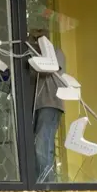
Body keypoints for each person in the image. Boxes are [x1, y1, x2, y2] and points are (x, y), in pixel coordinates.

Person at [29, 28, 66, 182]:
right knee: (35, 147)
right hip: (33, 105)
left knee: (42, 145)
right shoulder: (29, 56)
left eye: (40, 38)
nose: (37, 41)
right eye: (34, 38)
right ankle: (39, 180)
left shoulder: (56, 52)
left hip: (50, 102)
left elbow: (49, 68)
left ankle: (46, 184)